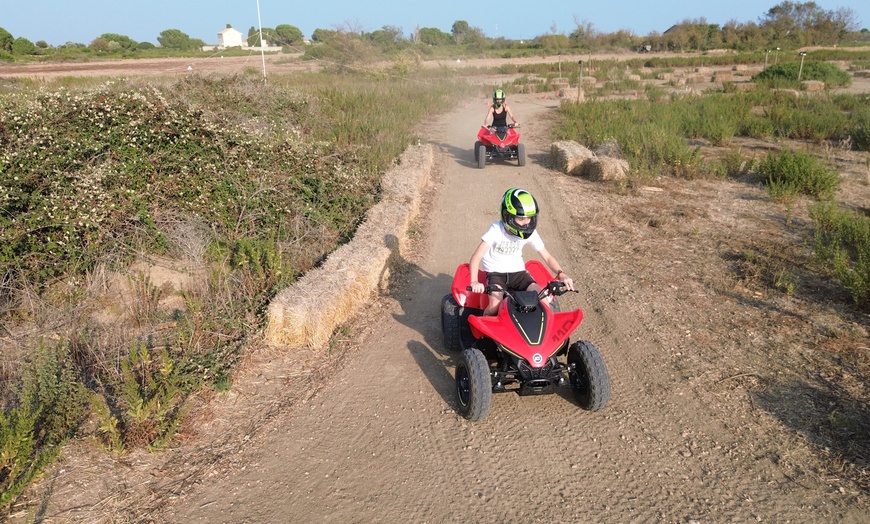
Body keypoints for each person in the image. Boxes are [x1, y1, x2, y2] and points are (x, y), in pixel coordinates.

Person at [469, 188, 574, 316]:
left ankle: (544, 334)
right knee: (494, 306)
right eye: (521, 219)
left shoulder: (530, 233)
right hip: (496, 274)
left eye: (529, 218)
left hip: (519, 273)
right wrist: (474, 281)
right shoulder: (496, 230)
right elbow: (476, 257)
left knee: (544, 302)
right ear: (508, 216)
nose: (526, 223)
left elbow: (547, 257)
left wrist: (562, 274)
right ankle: (482, 332)